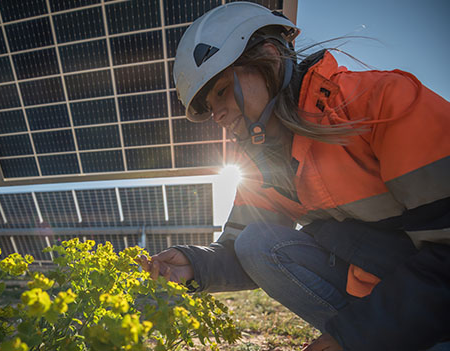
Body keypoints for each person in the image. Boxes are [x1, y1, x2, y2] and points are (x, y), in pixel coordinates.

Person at [139, 2, 450, 350]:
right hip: (385, 298)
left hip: (434, 295)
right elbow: (242, 249)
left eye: (222, 90)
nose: (217, 115)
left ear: (270, 58)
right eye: (210, 106)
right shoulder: (261, 162)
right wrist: (195, 263)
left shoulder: (382, 102)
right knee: (256, 242)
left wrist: (356, 335)